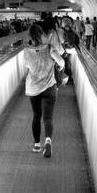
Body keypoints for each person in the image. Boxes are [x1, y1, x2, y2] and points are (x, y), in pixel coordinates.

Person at [24, 23, 64, 159]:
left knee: (36, 116)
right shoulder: (49, 48)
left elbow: (27, 66)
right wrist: (57, 67)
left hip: (34, 87)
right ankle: (48, 141)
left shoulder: (26, 50)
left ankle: (36, 145)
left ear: (30, 36)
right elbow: (62, 62)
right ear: (42, 34)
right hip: (49, 87)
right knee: (48, 117)